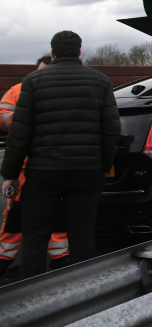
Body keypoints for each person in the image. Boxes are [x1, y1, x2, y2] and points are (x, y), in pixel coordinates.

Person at [1, 31, 120, 280]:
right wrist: (103, 167)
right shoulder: (101, 81)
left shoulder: (33, 82)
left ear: (53, 53)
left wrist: (10, 175)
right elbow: (111, 130)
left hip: (43, 174)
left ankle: (32, 300)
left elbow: (19, 134)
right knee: (82, 235)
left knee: (34, 238)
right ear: (79, 52)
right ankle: (81, 295)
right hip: (87, 173)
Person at [0, 55, 70, 277]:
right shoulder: (18, 90)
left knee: (56, 214)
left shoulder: (61, 92)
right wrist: (27, 119)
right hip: (25, 168)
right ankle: (5, 258)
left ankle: (59, 258)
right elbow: (2, 117)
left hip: (51, 164)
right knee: (16, 214)